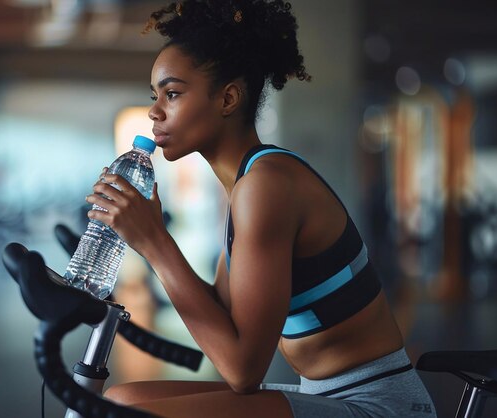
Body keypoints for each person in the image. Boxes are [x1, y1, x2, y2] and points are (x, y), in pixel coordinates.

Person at [86, 1, 436, 417]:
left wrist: (155, 242)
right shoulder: (245, 185)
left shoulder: (265, 185)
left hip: (378, 404)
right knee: (122, 401)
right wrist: (147, 239)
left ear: (229, 98)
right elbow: (223, 313)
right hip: (325, 393)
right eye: (155, 95)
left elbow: (242, 370)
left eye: (173, 93)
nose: (154, 110)